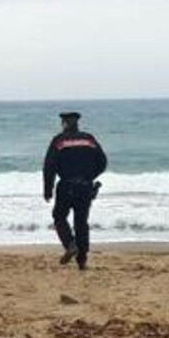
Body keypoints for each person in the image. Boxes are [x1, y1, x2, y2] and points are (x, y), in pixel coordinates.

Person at [44, 112, 107, 270]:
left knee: (59, 217)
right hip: (85, 186)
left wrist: (48, 189)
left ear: (65, 123)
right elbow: (102, 162)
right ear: (77, 123)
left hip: (66, 185)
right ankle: (82, 260)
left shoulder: (59, 141)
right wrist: (90, 176)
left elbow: (49, 166)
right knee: (81, 222)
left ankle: (70, 245)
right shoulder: (89, 139)